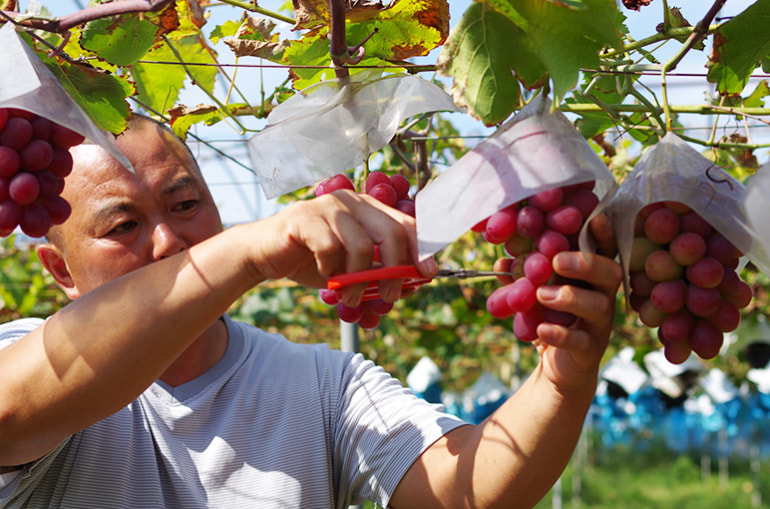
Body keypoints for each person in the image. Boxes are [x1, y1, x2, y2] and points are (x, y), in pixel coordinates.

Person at [0, 115, 623, 508]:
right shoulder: (27, 360)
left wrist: (562, 380)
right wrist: (247, 251)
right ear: (61, 273)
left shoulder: (326, 387)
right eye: (124, 225)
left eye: (186, 205)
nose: (167, 241)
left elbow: (464, 491)